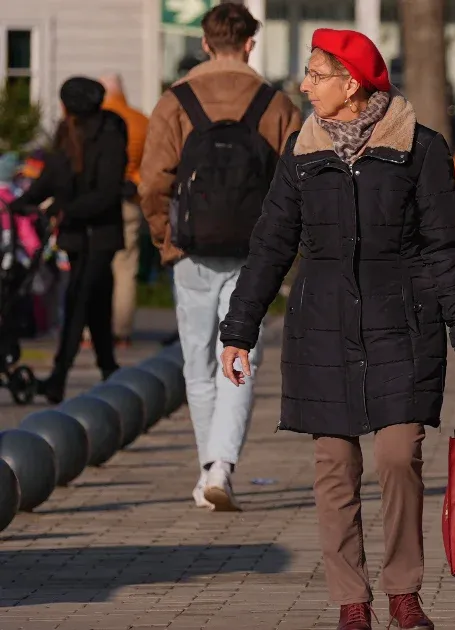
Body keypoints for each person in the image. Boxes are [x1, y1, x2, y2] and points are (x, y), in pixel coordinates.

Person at [217, 28, 455, 630]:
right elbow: (270, 246)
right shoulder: (302, 151)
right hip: (322, 328)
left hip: (404, 323)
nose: (305, 84)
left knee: (399, 455)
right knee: (335, 467)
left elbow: (445, 249)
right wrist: (239, 329)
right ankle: (352, 600)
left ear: (352, 83)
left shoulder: (421, 148)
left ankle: (403, 591)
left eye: (316, 74)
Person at [140, 3, 302, 511]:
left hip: (191, 247)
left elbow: (152, 181)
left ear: (205, 43)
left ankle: (208, 466)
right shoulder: (274, 103)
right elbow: (301, 177)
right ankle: (222, 465)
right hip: (256, 250)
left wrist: (166, 239)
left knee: (197, 360)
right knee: (242, 357)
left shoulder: (176, 101)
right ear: (250, 43)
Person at [9, 77, 127, 403]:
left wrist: (61, 208)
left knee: (79, 301)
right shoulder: (84, 133)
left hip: (96, 235)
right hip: (83, 234)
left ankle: (61, 376)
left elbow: (103, 192)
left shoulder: (105, 135)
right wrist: (28, 200)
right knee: (95, 301)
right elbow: (55, 174)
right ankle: (109, 369)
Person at [99, 73, 149, 349]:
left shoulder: (93, 120)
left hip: (99, 200)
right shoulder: (140, 120)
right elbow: (152, 161)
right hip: (130, 198)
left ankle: (89, 332)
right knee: (126, 266)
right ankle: (122, 331)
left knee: (95, 266)